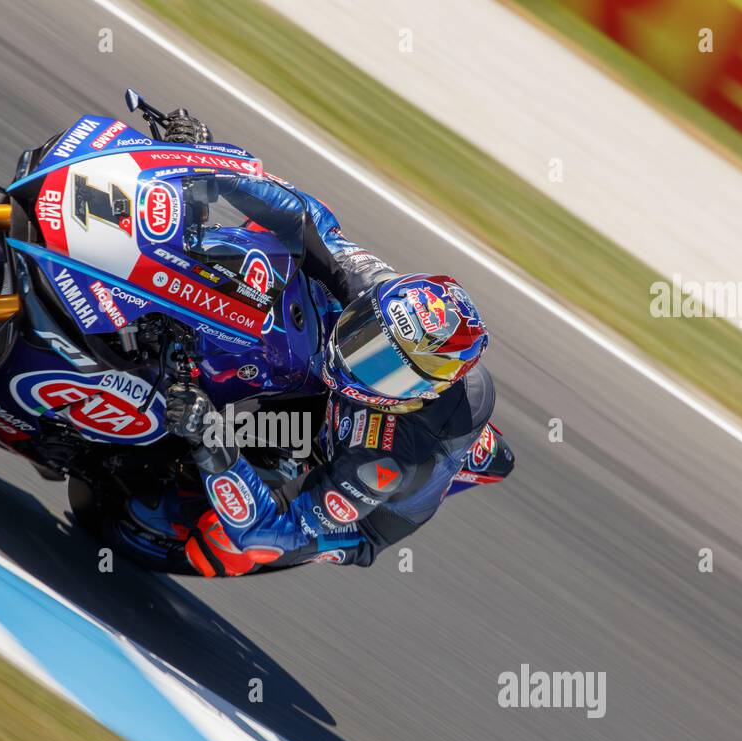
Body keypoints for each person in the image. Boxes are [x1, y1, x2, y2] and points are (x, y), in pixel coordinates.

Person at [121, 109, 514, 576]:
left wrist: (211, 436)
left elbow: (277, 529)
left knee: (229, 545)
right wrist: (206, 167)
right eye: (367, 335)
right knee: (265, 244)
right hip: (347, 402)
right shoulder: (375, 287)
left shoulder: (385, 458)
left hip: (358, 500)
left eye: (384, 368)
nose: (357, 360)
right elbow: (304, 217)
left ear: (419, 393)